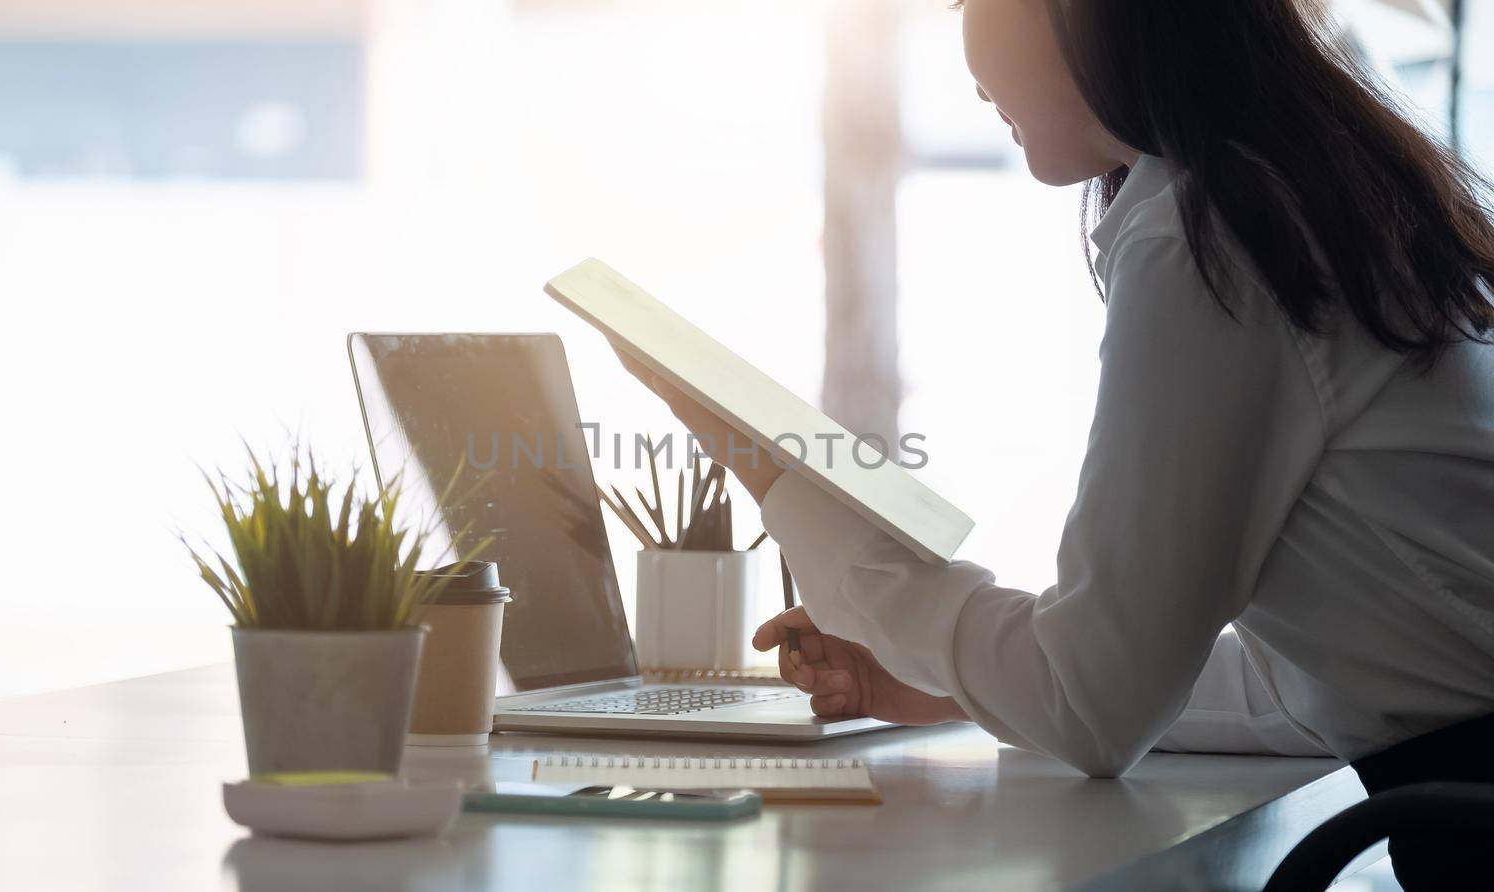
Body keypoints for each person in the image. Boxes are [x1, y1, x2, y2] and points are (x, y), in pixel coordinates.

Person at [619, 0, 1494, 887]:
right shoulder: (1299, 189)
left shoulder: (1215, 234)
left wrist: (776, 479)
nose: (961, 49)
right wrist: (957, 682)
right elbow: (1311, 687)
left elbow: (1093, 709)